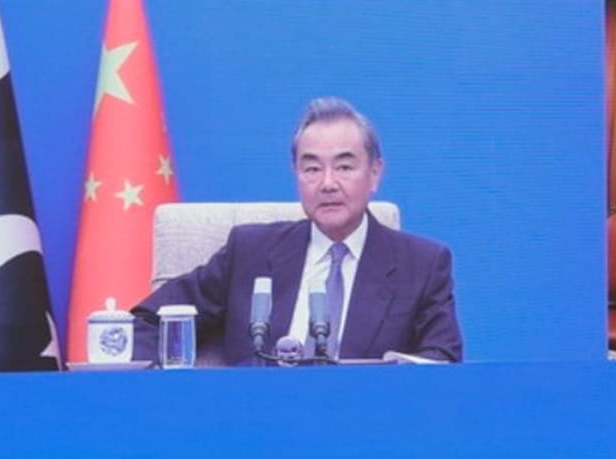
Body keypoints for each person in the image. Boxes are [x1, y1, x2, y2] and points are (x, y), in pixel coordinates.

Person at [131, 97, 462, 364]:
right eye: (312, 169)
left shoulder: (422, 265)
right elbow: (150, 322)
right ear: (296, 174)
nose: (328, 183)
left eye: (344, 167)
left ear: (375, 173)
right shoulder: (250, 252)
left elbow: (442, 361)